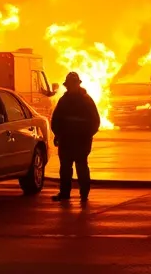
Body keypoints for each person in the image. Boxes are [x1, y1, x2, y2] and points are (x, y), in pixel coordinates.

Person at [50, 71, 101, 202]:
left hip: (81, 140)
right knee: (65, 168)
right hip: (66, 140)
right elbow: (56, 120)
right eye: (69, 85)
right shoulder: (64, 101)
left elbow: (95, 121)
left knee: (81, 166)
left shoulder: (86, 101)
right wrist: (58, 134)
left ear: (77, 85)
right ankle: (65, 193)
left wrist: (87, 135)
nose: (70, 87)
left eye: (72, 84)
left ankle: (84, 194)